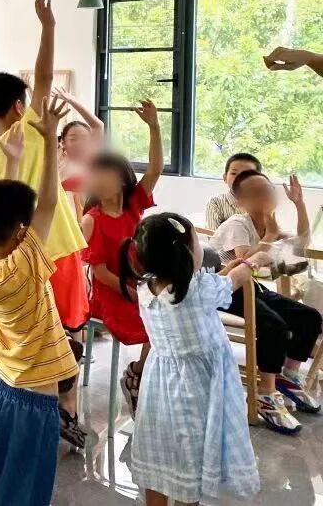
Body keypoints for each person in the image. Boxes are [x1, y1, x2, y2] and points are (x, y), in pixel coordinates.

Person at [0, 0, 90, 443]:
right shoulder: (33, 129)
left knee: (23, 340)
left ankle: (28, 406)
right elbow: (43, 77)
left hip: (15, 263)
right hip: (55, 249)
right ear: (19, 107)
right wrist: (49, 26)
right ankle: (66, 410)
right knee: (66, 335)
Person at [0, 95, 78, 504]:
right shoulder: (24, 266)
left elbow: (4, 210)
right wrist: (49, 140)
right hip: (34, 399)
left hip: (2, 387)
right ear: (20, 229)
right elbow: (49, 201)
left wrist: (12, 162)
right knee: (25, 490)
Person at [122, 213, 260, 505]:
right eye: (197, 244)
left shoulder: (146, 288)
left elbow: (205, 283)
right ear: (184, 255)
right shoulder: (201, 290)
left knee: (159, 455)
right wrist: (254, 261)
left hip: (159, 387)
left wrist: (229, 268)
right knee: (190, 458)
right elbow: (237, 278)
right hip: (196, 391)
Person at [210, 169, 321, 435]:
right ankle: (265, 393)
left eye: (267, 190)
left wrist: (299, 204)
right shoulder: (238, 223)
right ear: (241, 201)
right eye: (256, 193)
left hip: (251, 288)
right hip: (222, 290)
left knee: (310, 317)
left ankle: (288, 376)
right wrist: (269, 237)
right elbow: (243, 263)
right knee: (274, 325)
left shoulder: (269, 225)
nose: (264, 196)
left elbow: (300, 245)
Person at [80, 100, 163, 416]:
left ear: (123, 179)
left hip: (136, 285)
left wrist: (154, 126)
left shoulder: (133, 206)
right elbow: (99, 272)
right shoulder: (92, 219)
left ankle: (139, 374)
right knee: (153, 322)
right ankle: (141, 379)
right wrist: (131, 291)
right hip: (109, 295)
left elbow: (155, 169)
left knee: (165, 318)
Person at [51, 87, 104, 220]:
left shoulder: (92, 158)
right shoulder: (56, 157)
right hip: (62, 217)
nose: (80, 142)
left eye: (84, 138)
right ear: (62, 142)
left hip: (89, 219)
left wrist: (72, 100)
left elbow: (98, 126)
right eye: (73, 139)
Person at [204, 152, 261, 230]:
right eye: (234, 173)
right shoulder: (215, 204)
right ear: (225, 178)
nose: (240, 178)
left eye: (248, 174)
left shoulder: (263, 203)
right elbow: (213, 236)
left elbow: (270, 233)